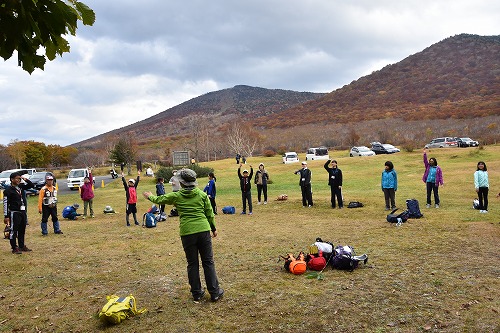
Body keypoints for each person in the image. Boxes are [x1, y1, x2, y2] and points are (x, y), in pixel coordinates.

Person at [142, 168, 224, 302]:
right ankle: (215, 292)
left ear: (182, 182)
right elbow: (209, 213)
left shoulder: (177, 195)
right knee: (208, 262)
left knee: (192, 264)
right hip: (203, 230)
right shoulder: (202, 195)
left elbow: (160, 199)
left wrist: (150, 196)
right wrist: (213, 228)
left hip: (187, 233)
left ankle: (197, 293)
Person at [3, 171, 34, 254]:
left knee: (22, 229)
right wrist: (6, 216)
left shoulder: (20, 187)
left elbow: (31, 185)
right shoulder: (8, 190)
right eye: (17, 178)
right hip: (14, 212)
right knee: (13, 230)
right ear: (12, 179)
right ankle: (14, 247)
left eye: (19, 178)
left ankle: (21, 245)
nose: (18, 180)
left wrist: (25, 179)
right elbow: (5, 203)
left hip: (22, 211)